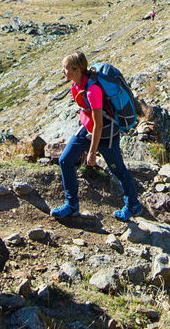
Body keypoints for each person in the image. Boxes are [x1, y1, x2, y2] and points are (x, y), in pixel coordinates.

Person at [51, 51, 143, 221]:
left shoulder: (93, 90)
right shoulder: (77, 84)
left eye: (65, 68)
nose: (62, 71)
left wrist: (92, 152)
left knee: (119, 171)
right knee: (65, 160)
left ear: (77, 69)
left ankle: (133, 205)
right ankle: (71, 205)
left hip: (106, 135)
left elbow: (99, 125)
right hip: (87, 130)